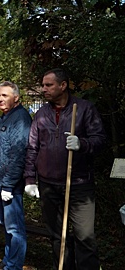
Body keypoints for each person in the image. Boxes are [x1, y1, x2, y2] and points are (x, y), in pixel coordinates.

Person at [24, 69, 105, 270]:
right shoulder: (41, 114)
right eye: (43, 85)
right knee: (58, 236)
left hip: (78, 184)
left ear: (63, 85)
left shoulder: (84, 109)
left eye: (49, 85)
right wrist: (29, 180)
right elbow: (33, 147)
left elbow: (101, 140)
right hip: (48, 184)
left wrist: (82, 144)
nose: (44, 89)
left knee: (84, 237)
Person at [0, 82, 32, 270]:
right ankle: (8, 261)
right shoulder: (5, 117)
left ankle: (14, 266)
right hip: (0, 183)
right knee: (6, 225)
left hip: (10, 184)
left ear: (16, 98)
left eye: (5, 95)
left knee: (15, 228)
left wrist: (8, 184)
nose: (0, 99)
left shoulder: (20, 119)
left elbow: (19, 154)